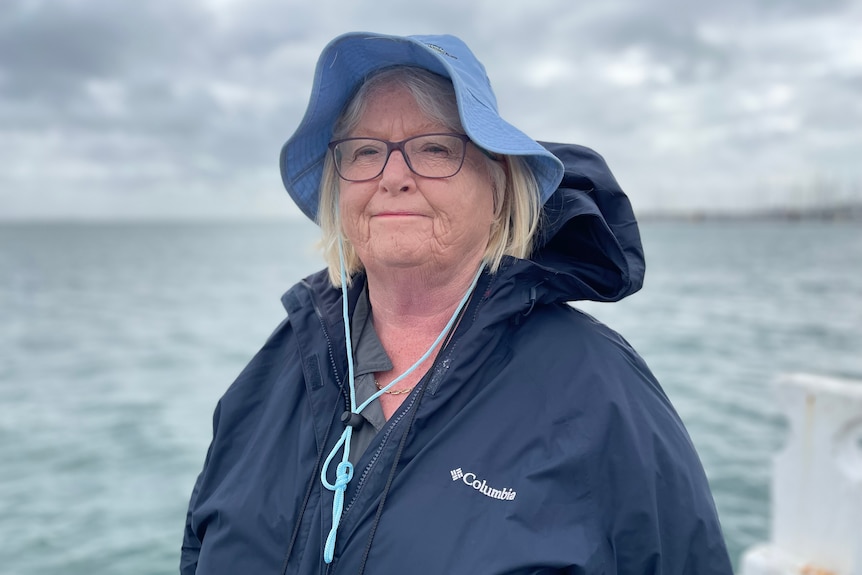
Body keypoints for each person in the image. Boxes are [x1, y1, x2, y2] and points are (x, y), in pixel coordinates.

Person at [181, 32, 733, 574]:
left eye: (435, 148)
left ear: (498, 188)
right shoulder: (274, 371)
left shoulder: (600, 390)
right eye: (366, 151)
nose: (392, 176)